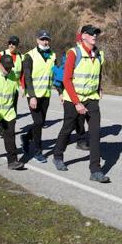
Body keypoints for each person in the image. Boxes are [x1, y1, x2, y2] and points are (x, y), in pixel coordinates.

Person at [51, 25, 109, 183]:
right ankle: (57, 155)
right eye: (91, 33)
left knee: (95, 133)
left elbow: (97, 73)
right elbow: (66, 79)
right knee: (68, 128)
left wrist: (99, 88)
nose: (94, 36)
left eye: (96, 33)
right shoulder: (73, 53)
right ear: (83, 36)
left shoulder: (98, 54)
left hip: (91, 99)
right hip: (73, 98)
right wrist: (76, 103)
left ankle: (95, 170)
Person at [20, 30, 56, 163]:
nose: (45, 42)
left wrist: (61, 91)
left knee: (39, 123)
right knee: (38, 122)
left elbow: (55, 75)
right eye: (42, 39)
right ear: (37, 40)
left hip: (46, 94)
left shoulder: (53, 55)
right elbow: (28, 77)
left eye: (47, 39)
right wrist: (32, 96)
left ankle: (26, 137)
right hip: (34, 95)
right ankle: (37, 151)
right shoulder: (29, 56)